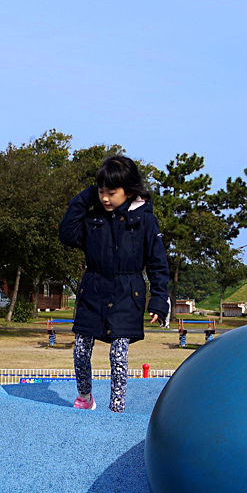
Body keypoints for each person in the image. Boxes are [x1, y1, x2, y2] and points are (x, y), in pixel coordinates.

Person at [58, 155, 170, 412]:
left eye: (111, 192)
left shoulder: (145, 221)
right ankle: (85, 397)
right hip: (93, 290)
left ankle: (116, 407)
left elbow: (157, 263)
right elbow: (66, 234)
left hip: (126, 293)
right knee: (80, 350)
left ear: (129, 191)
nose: (105, 198)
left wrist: (159, 299)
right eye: (101, 192)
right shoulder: (93, 217)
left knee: (118, 355)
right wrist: (87, 196)